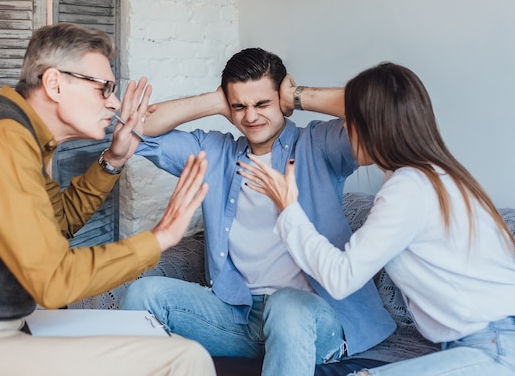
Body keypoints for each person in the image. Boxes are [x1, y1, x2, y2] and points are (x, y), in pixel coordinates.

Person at [0, 22, 216, 376]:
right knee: (185, 358)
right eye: (104, 88)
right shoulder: (2, 138)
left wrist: (115, 158)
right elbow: (53, 281)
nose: (115, 102)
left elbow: (57, 226)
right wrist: (160, 237)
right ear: (55, 84)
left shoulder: (22, 136)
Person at [121, 48, 396, 376]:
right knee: (144, 294)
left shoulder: (318, 145)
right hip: (242, 316)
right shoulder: (215, 152)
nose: (250, 117)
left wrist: (297, 95)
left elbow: (382, 113)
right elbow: (131, 131)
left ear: (280, 101)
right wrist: (215, 101)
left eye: (262, 104)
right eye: (240, 106)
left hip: (317, 317)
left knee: (286, 306)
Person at [238, 62, 515, 376]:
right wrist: (292, 96)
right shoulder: (438, 175)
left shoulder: (409, 187)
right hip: (486, 343)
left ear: (370, 125)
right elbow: (385, 99)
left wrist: (288, 208)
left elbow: (341, 278)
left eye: (350, 119)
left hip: (497, 348)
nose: (344, 128)